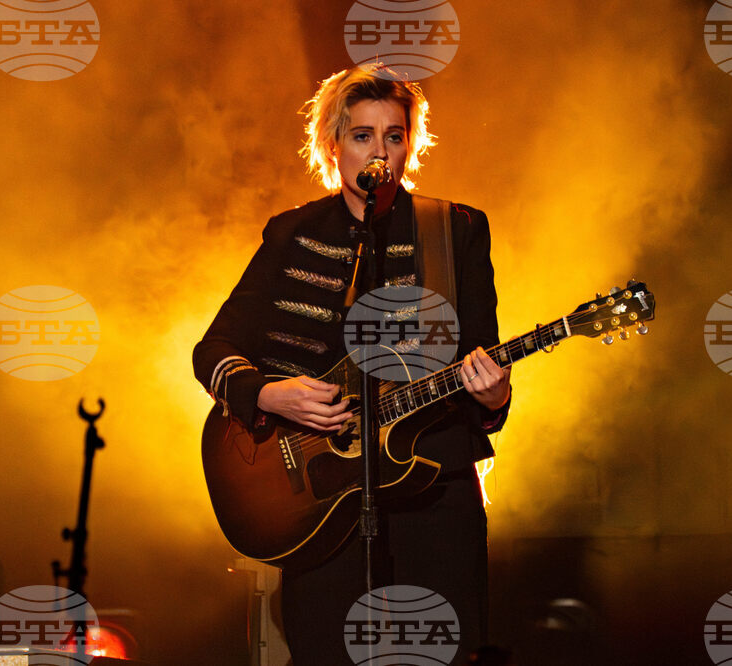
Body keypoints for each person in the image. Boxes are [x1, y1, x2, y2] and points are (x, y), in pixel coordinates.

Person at [193, 64, 512, 664]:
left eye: (394, 135)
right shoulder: (292, 233)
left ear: (411, 145)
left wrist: (494, 398)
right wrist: (268, 395)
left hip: (434, 484)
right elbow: (213, 349)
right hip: (317, 497)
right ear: (333, 144)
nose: (380, 152)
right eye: (363, 135)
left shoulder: (455, 228)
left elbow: (481, 357)